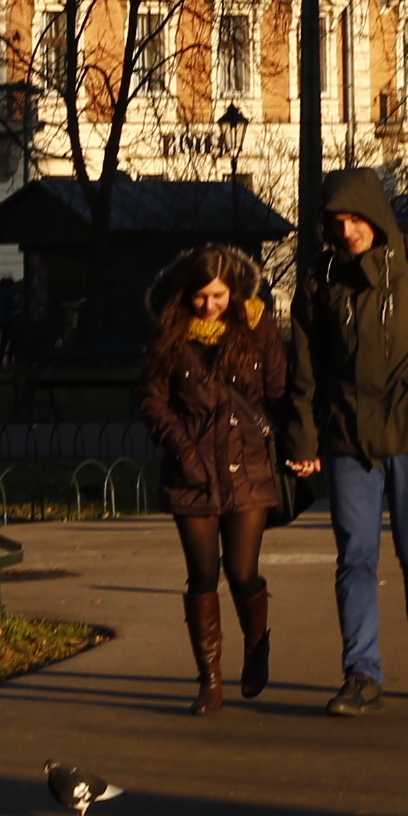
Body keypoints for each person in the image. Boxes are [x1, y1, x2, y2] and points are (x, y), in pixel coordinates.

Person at [279, 170, 408, 716]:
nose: (347, 231)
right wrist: (303, 435)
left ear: (375, 214)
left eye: (355, 219)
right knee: (355, 557)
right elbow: (305, 366)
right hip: (348, 436)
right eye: (336, 222)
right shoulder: (321, 277)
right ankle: (361, 673)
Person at [136, 245, 302, 715]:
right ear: (185, 293)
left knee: (243, 572)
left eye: (218, 295)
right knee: (203, 575)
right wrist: (184, 451)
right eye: (200, 296)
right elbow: (152, 401)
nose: (209, 305)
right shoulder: (169, 333)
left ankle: (256, 644)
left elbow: (278, 392)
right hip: (192, 472)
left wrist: (301, 444)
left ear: (234, 291)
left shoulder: (257, 326)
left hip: (248, 466)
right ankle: (209, 679)